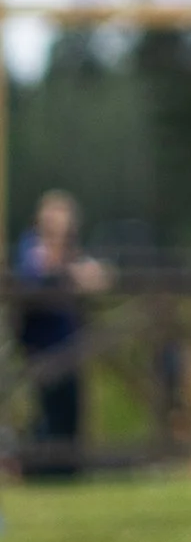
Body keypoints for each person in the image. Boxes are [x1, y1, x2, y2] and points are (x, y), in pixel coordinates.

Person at [11, 191, 111, 477]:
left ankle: (68, 468)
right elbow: (35, 273)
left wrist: (85, 273)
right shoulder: (31, 247)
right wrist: (70, 270)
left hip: (70, 343)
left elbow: (98, 277)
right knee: (46, 409)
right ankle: (43, 468)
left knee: (70, 409)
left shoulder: (71, 251)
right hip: (41, 343)